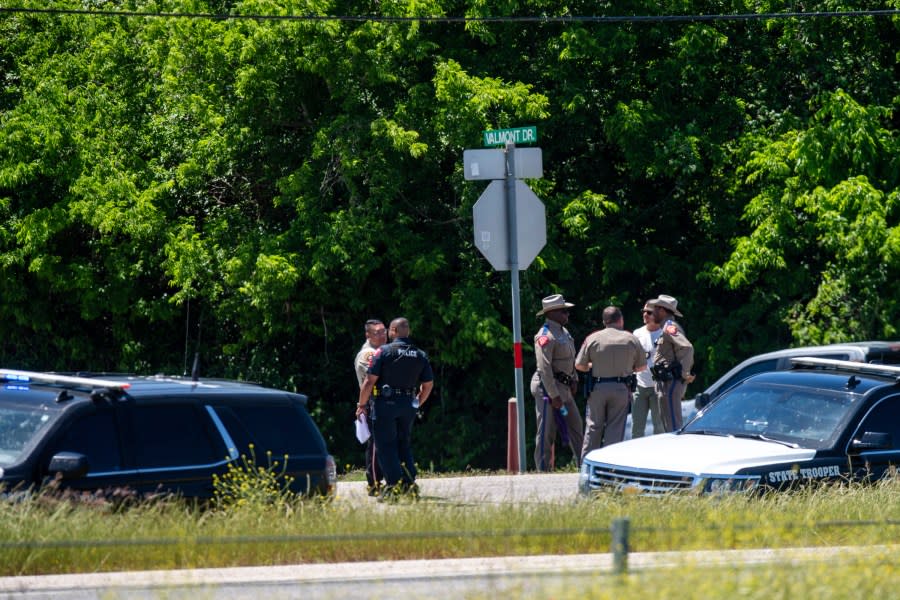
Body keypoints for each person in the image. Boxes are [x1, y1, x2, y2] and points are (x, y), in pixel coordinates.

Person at [357, 317, 433, 501]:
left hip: (386, 404)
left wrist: (361, 405)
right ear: (408, 331)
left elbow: (369, 382)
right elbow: (428, 384)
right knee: (403, 443)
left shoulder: (383, 352)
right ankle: (409, 483)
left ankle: (393, 486)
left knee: (385, 446)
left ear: (393, 331)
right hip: (408, 404)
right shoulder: (420, 354)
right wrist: (417, 403)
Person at [575, 306, 646, 459]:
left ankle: (587, 462)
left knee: (593, 426)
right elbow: (642, 366)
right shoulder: (631, 338)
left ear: (604, 321)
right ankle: (609, 464)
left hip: (597, 387)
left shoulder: (593, 338)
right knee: (615, 427)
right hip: (621, 387)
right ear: (620, 320)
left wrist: (592, 366)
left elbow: (579, 365)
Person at [530, 294, 585, 471]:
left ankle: (584, 466)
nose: (567, 315)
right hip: (548, 389)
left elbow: (571, 358)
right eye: (564, 311)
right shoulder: (545, 336)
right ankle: (543, 469)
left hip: (565, 388)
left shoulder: (564, 332)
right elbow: (544, 368)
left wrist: (574, 379)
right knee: (547, 429)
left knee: (576, 425)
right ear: (552, 313)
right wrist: (553, 395)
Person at [647, 294, 695, 432]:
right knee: (669, 426)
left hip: (670, 382)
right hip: (666, 383)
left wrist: (684, 374)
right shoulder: (666, 327)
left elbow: (687, 347)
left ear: (662, 310)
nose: (652, 313)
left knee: (674, 426)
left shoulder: (669, 327)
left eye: (655, 309)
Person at [354, 319, 387, 496]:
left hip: (383, 400)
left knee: (384, 442)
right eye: (377, 333)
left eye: (384, 331)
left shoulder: (382, 351)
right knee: (375, 444)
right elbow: (374, 378)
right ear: (368, 335)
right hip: (373, 400)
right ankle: (374, 483)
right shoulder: (368, 353)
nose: (383, 335)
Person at [631, 302, 663, 438]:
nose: (645, 315)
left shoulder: (665, 333)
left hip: (659, 386)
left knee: (659, 427)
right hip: (640, 386)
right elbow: (632, 358)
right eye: (644, 311)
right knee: (637, 428)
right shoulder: (637, 333)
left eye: (649, 312)